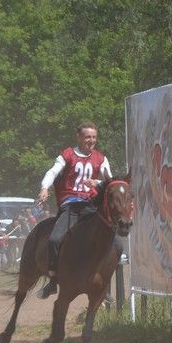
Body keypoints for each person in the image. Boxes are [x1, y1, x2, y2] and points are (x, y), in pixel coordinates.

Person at [36, 121, 113, 298]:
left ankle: (104, 285)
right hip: (71, 205)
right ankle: (53, 280)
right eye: (87, 137)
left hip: (91, 206)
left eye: (94, 137)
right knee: (55, 239)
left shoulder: (100, 158)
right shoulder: (68, 155)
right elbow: (53, 172)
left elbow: (111, 181)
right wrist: (44, 188)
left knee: (113, 243)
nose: (91, 140)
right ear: (79, 137)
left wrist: (97, 182)